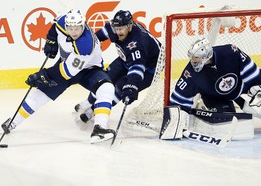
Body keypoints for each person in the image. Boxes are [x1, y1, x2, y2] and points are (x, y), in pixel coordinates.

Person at [1, 9, 116, 144]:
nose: (74, 32)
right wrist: (51, 41)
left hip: (89, 70)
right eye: (71, 28)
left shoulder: (85, 44)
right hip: (67, 65)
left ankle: (100, 129)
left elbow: (67, 72)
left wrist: (45, 75)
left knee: (107, 88)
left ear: (83, 25)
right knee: (40, 94)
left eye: (77, 28)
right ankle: (13, 122)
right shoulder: (63, 22)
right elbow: (55, 27)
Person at [160, 37, 261, 141]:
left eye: (196, 58)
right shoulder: (191, 73)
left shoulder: (229, 52)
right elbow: (180, 97)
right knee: (229, 120)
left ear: (206, 56)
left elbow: (249, 67)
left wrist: (257, 87)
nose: (193, 61)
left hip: (240, 88)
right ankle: (205, 106)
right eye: (192, 57)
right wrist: (176, 118)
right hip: (214, 97)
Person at [74, 10, 161, 126]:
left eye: (121, 29)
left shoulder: (138, 43)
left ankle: (93, 111)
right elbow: (97, 37)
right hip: (125, 59)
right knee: (104, 80)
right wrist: (85, 45)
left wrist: (131, 86)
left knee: (120, 88)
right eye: (116, 28)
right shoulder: (114, 27)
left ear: (130, 27)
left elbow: (137, 69)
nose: (118, 31)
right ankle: (87, 102)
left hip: (148, 70)